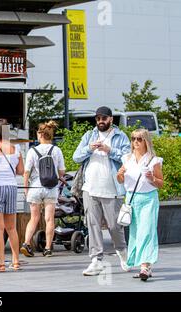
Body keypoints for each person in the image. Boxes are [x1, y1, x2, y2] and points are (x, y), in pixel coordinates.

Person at [73, 106, 131, 276]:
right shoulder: (89, 136)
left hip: (113, 189)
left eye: (104, 118)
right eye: (98, 118)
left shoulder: (120, 136)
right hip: (90, 188)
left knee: (114, 225)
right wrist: (90, 148)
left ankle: (122, 251)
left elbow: (127, 158)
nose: (100, 121)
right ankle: (96, 260)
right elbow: (76, 157)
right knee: (93, 225)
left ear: (111, 119)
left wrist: (109, 150)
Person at [117, 129, 163, 281]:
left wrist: (151, 178)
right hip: (131, 198)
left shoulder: (153, 160)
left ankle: (145, 267)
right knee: (136, 233)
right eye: (133, 138)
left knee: (147, 231)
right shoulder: (127, 158)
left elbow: (160, 184)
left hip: (149, 198)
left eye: (139, 139)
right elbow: (121, 181)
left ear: (146, 141)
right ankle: (142, 264)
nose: (135, 141)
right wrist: (120, 174)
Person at [21, 121, 65, 258]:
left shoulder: (32, 151)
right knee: (49, 219)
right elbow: (62, 171)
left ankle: (27, 243)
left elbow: (26, 172)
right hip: (51, 188)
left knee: (34, 218)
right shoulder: (56, 150)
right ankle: (47, 248)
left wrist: (26, 188)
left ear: (40, 134)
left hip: (35, 187)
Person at [0, 119, 24, 272]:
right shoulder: (16, 148)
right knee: (12, 228)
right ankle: (16, 261)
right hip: (12, 187)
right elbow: (21, 171)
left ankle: (1, 264)